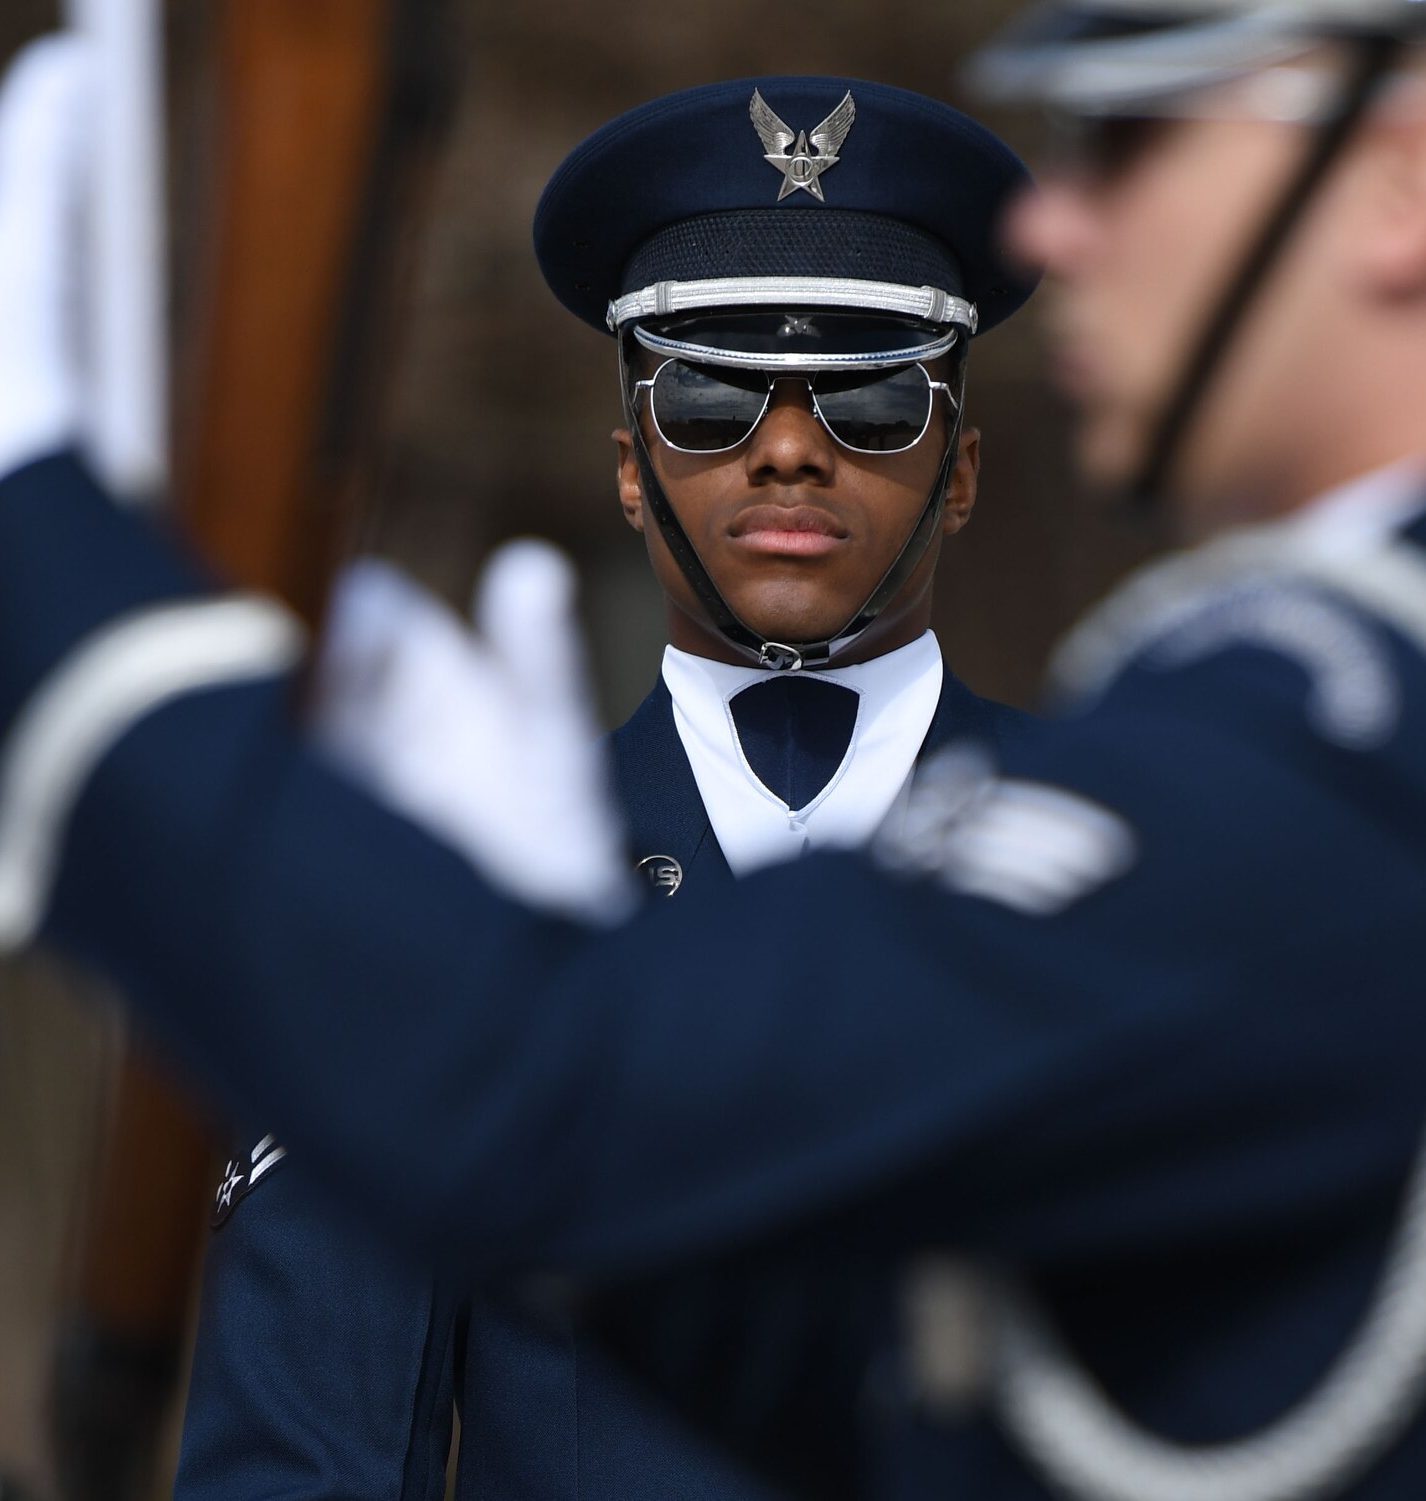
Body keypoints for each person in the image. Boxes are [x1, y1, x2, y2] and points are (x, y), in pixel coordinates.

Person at [0, 0, 1426, 1497]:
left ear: (1412, 186)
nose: (1058, 221)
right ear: (639, 465)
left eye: (1140, 132)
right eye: (717, 398)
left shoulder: (1358, 741)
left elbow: (543, 1103)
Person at [171, 77, 1036, 1501]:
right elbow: (306, 1463)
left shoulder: (1146, 851)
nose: (789, 445)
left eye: (875, 399)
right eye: (708, 396)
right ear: (631, 467)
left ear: (961, 472)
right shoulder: (457, 896)